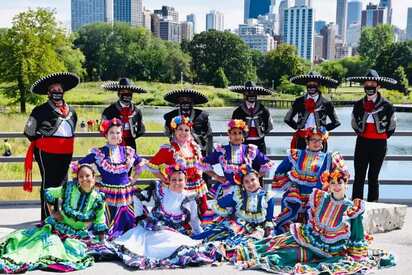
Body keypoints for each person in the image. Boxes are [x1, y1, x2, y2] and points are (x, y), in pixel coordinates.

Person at [223, 170, 395, 274]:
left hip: (330, 252)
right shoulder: (321, 198)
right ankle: (246, 255)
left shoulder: (352, 209)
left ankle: (255, 262)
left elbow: (357, 237)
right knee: (280, 241)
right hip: (311, 238)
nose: (336, 186)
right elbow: (312, 221)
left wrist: (356, 256)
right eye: (332, 182)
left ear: (346, 184)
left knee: (291, 255)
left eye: (339, 183)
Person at [0, 164, 108, 273]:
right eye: (81, 176)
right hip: (57, 227)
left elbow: (100, 220)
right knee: (38, 244)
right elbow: (49, 193)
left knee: (65, 251)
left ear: (94, 177)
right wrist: (53, 212)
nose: (84, 179)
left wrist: (102, 242)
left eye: (87, 176)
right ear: (78, 178)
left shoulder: (98, 199)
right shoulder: (69, 188)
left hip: (77, 235)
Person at [113, 165, 217, 269]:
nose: (177, 183)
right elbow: (137, 197)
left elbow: (194, 220)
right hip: (153, 230)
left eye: (180, 180)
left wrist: (199, 234)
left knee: (183, 244)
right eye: (174, 180)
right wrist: (140, 217)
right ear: (169, 180)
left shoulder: (190, 198)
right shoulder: (161, 193)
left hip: (173, 233)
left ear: (185, 181)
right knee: (160, 242)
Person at [76, 118, 146, 239]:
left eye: (118, 132)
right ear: (106, 135)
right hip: (106, 193)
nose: (115, 135)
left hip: (125, 194)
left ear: (121, 135)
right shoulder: (99, 153)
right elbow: (78, 165)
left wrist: (134, 179)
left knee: (127, 226)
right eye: (112, 132)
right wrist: (92, 178)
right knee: (104, 222)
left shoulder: (128, 151)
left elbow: (140, 163)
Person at [24, 72, 79, 221]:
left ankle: (60, 215)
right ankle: (47, 218)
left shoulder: (72, 112)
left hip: (66, 153)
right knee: (49, 184)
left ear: (63, 91)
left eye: (59, 89)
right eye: (53, 90)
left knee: (62, 184)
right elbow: (29, 131)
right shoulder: (39, 110)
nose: (57, 92)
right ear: (48, 93)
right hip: (46, 152)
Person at [272, 127, 347, 234]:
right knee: (289, 227)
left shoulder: (329, 158)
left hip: (317, 198)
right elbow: (280, 171)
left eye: (319, 140)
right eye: (313, 140)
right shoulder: (296, 155)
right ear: (307, 141)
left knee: (313, 229)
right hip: (296, 196)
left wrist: (331, 188)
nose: (316, 143)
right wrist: (290, 186)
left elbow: (342, 175)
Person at [193, 165, 276, 247]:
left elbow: (268, 220)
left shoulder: (267, 197)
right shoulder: (238, 195)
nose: (250, 183)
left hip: (257, 230)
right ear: (242, 184)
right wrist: (230, 213)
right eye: (246, 182)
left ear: (258, 179)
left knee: (242, 245)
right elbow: (220, 203)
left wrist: (267, 232)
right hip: (239, 225)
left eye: (253, 179)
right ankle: (192, 240)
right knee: (216, 234)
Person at [348, 69, 397, 202]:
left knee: (373, 176)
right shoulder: (358, 104)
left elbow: (392, 125)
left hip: (379, 144)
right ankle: (356, 206)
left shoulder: (387, 105)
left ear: (378, 86)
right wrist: (360, 132)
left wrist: (382, 136)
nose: (369, 86)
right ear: (364, 86)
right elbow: (353, 122)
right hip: (362, 142)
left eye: (372, 83)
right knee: (359, 176)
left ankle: (372, 205)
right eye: (367, 84)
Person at [148, 115, 209, 216]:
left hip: (196, 185)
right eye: (180, 129)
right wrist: (164, 178)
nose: (183, 133)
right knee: (182, 214)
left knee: (200, 214)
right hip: (178, 187)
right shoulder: (168, 149)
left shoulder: (194, 146)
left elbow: (200, 164)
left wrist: (199, 173)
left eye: (186, 130)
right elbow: (152, 165)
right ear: (174, 131)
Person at [201, 119, 274, 198]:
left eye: (240, 133)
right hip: (226, 190)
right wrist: (217, 177)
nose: (237, 136)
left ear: (243, 135)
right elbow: (203, 163)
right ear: (229, 135)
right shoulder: (222, 150)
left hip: (247, 189)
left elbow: (267, 163)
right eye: (234, 133)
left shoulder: (250, 150)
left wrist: (256, 176)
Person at [285, 71, 340, 151]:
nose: (311, 86)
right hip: (302, 139)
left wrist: (324, 129)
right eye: (309, 84)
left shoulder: (326, 102)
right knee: (301, 162)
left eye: (314, 84)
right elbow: (287, 118)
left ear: (319, 85)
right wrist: (298, 128)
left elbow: (336, 122)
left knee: (319, 162)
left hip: (319, 140)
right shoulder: (299, 101)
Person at [163, 88, 213, 157]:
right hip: (177, 154)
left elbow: (209, 136)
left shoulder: (203, 115)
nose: (185, 102)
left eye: (188, 99)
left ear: (193, 102)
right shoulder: (170, 116)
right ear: (178, 101)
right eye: (182, 99)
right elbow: (167, 133)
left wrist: (209, 156)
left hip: (200, 154)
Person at [101, 78, 146, 151]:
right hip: (113, 145)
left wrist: (132, 135)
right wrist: (113, 137)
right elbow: (102, 128)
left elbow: (141, 129)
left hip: (131, 146)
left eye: (129, 92)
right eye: (123, 91)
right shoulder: (109, 111)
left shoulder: (137, 111)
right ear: (118, 93)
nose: (127, 94)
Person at [230, 81, 273, 154]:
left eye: (254, 93)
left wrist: (262, 132)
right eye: (248, 92)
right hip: (243, 144)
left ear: (257, 94)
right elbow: (232, 129)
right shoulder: (237, 111)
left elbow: (270, 126)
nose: (251, 95)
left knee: (260, 164)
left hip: (260, 144)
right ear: (244, 94)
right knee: (244, 165)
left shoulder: (264, 110)